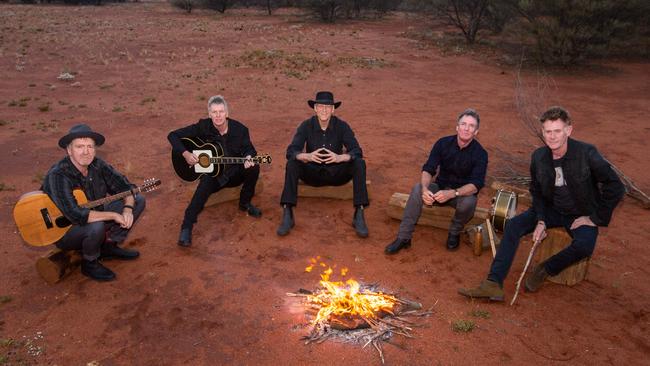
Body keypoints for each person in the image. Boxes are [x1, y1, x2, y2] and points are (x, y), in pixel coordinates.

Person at [458, 106, 625, 301]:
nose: (552, 136)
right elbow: (537, 192)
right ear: (542, 132)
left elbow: (615, 186)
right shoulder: (539, 157)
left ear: (568, 130)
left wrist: (595, 218)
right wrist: (541, 219)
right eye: (548, 131)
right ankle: (493, 283)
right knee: (513, 226)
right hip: (551, 210)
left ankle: (545, 269)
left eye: (557, 131)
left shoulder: (587, 153)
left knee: (585, 246)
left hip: (580, 214)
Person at [42, 124, 145, 281]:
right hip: (62, 229)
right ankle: (89, 263)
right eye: (79, 146)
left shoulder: (98, 165)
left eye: (90, 146)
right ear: (69, 150)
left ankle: (108, 246)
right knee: (95, 225)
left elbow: (127, 188)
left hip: (90, 217)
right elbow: (75, 215)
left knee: (138, 199)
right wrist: (113, 215)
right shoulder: (58, 175)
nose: (86, 151)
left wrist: (128, 209)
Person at [384, 109, 488, 254]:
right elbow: (428, 169)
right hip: (439, 187)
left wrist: (453, 193)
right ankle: (404, 237)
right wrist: (425, 189)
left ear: (476, 131)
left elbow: (476, 185)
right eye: (463, 124)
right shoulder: (442, 143)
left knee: (469, 202)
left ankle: (454, 232)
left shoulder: (481, 154)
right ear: (457, 127)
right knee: (417, 188)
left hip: (459, 195)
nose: (466, 128)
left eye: (471, 126)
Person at [168, 95, 261, 247]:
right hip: (214, 175)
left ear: (227, 113)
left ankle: (245, 203)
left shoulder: (241, 130)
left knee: (254, 167)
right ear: (209, 114)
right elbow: (172, 135)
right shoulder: (203, 126)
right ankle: (186, 227)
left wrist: (249, 157)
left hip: (234, 174)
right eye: (214, 112)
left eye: (221, 111)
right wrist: (186, 154)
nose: (218, 115)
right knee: (202, 189)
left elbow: (249, 149)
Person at [277, 91, 369, 237]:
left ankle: (359, 213)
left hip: (336, 173)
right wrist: (307, 156)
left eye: (328, 107)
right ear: (315, 108)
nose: (324, 110)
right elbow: (291, 151)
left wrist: (340, 158)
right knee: (293, 163)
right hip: (313, 173)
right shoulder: (306, 126)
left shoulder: (342, 126)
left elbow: (356, 150)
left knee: (359, 163)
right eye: (320, 106)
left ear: (333, 109)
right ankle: (288, 214)